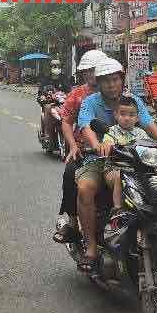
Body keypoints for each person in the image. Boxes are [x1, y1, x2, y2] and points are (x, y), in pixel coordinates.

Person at [76, 58, 157, 271]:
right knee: (85, 188)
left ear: (121, 80)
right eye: (106, 80)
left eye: (115, 79)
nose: (111, 84)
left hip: (136, 160)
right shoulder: (90, 102)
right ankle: (90, 247)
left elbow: (150, 127)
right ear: (98, 83)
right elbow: (86, 126)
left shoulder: (133, 101)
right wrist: (98, 146)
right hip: (102, 159)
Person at [52, 49, 106, 244]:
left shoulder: (114, 90)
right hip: (85, 150)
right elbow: (66, 122)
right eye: (86, 71)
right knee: (70, 174)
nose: (90, 74)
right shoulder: (77, 94)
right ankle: (73, 223)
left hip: (115, 150)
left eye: (93, 70)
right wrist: (73, 146)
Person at [103, 97, 150, 216]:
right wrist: (108, 145)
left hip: (137, 169)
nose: (127, 118)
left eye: (131, 115)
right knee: (121, 174)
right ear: (116, 115)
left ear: (137, 117)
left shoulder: (141, 133)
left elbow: (150, 146)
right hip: (114, 169)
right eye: (122, 114)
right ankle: (117, 208)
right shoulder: (111, 131)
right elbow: (107, 143)